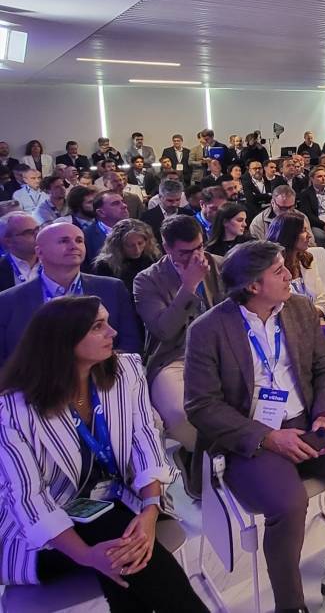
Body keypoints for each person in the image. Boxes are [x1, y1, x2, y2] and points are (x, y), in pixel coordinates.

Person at [184, 241, 325, 612]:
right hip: (252, 436)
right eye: (278, 271)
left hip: (309, 418)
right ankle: (290, 604)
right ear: (252, 286)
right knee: (290, 504)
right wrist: (268, 437)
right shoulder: (208, 330)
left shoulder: (300, 309)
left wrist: (324, 413)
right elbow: (201, 406)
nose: (290, 274)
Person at [0, 296, 207, 610]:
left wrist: (150, 511)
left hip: (122, 503)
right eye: (98, 326)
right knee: (119, 539)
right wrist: (87, 556)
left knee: (121, 540)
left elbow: (146, 440)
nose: (113, 332)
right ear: (64, 340)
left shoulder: (126, 371)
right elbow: (30, 500)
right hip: (45, 536)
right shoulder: (13, 409)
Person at [133, 215, 224, 498]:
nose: (196, 257)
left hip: (220, 351)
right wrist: (189, 286)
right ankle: (195, 455)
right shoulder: (147, 280)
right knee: (180, 413)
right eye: (185, 252)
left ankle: (219, 462)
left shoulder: (219, 265)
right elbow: (163, 330)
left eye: (200, 247)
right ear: (167, 248)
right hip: (173, 357)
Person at [0, 222, 141, 364]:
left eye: (79, 240)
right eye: (64, 241)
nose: (74, 246)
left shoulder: (112, 288)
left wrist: (105, 372)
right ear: (39, 252)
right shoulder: (7, 300)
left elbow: (130, 341)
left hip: (103, 373)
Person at [268, 211, 325, 319]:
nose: (309, 235)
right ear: (289, 235)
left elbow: (322, 298)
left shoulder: (307, 259)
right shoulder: (272, 267)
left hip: (312, 319)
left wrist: (312, 315)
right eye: (303, 231)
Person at [92, 219, 160, 294]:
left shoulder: (152, 257)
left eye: (140, 243)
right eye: (130, 245)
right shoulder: (106, 266)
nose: (137, 250)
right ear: (118, 246)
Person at [83, 190, 131, 272]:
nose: (124, 206)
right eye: (115, 203)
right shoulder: (86, 237)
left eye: (122, 201)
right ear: (101, 213)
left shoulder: (139, 229)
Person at [140, 178, 193, 242]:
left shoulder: (189, 215)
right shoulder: (147, 218)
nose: (174, 204)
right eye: (170, 200)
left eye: (178, 200)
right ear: (160, 197)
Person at [0, 211, 40, 291]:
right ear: (8, 242)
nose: (38, 235)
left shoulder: (55, 259)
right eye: (29, 232)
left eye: (38, 229)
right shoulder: (2, 269)